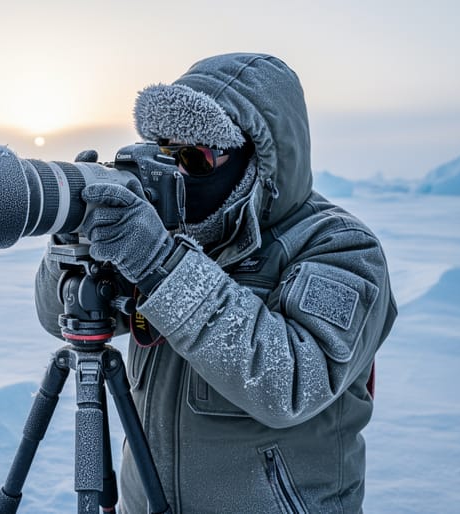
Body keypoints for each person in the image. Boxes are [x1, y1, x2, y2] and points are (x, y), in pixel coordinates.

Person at [35, 53, 397, 513]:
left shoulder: (340, 248)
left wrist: (162, 265)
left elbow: (290, 385)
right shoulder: (167, 228)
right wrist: (75, 236)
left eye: (196, 157)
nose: (177, 172)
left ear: (259, 160)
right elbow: (57, 315)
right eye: (166, 152)